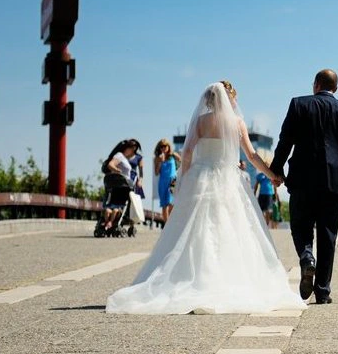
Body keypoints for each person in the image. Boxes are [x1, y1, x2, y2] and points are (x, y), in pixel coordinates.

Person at [106, 81, 307, 315]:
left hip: (200, 177)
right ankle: (226, 277)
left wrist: (184, 178)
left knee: (195, 227)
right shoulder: (236, 123)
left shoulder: (200, 121)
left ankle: (192, 275)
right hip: (228, 179)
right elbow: (252, 156)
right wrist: (273, 175)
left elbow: (187, 152)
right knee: (230, 226)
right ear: (230, 99)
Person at [270, 68, 338, 305]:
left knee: (300, 226)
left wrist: (276, 169)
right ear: (336, 88)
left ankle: (306, 257)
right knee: (328, 235)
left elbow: (285, 141)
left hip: (302, 179)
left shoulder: (298, 104)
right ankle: (322, 291)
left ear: (315, 85)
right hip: (334, 181)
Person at [101, 140, 138, 231]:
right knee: (118, 207)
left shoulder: (124, 158)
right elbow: (111, 165)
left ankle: (108, 223)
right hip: (122, 185)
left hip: (120, 186)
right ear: (127, 148)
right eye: (132, 149)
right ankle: (111, 223)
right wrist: (117, 171)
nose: (133, 152)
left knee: (111, 207)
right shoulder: (120, 155)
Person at [153, 139, 180, 226]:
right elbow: (156, 173)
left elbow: (181, 160)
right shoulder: (157, 158)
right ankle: (167, 225)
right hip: (163, 183)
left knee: (171, 202)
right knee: (164, 204)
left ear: (168, 147)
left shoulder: (173, 155)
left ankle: (172, 223)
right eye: (161, 147)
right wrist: (160, 162)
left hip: (172, 181)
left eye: (165, 146)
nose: (163, 148)